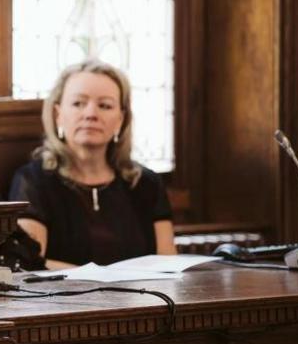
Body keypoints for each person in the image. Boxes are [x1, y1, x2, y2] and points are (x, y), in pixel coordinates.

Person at [9, 60, 175, 268]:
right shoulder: (33, 181)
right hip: (64, 299)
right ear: (58, 115)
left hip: (145, 300)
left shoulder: (146, 183)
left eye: (105, 105)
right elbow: (30, 263)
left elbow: (168, 264)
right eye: (78, 103)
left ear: (121, 119)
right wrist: (104, 282)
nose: (91, 114)